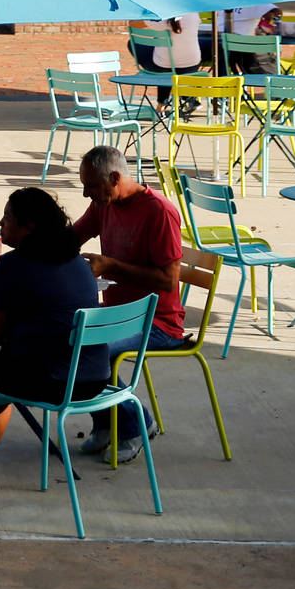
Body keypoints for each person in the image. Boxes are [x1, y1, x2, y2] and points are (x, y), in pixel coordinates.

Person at [0, 186, 104, 491]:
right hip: (94, 378)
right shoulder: (79, 264)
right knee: (0, 373)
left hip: (52, 381)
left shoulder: (11, 265)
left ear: (30, 227)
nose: (1, 224)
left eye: (8, 217)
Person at [72, 145, 188, 463]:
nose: (86, 194)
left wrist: (112, 266)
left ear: (114, 177)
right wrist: (31, 239)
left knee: (92, 352)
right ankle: (108, 423)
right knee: (68, 339)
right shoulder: (103, 204)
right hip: (116, 317)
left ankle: (135, 426)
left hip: (158, 323)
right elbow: (72, 237)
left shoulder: (159, 212)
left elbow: (168, 280)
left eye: (91, 186)